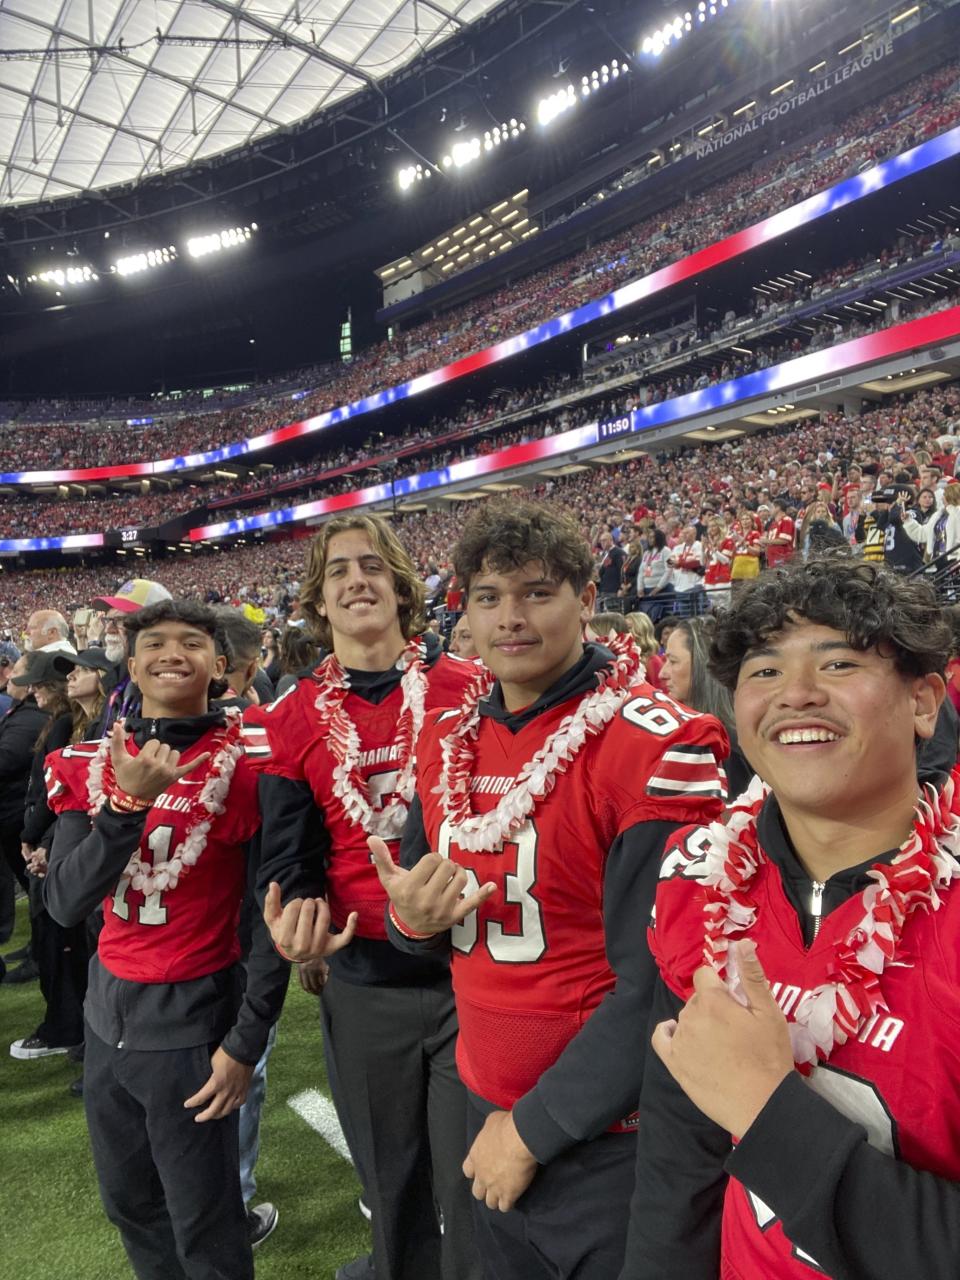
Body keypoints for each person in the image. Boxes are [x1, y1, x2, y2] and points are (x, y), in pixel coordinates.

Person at [374, 500, 729, 1280]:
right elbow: (419, 921)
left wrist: (533, 1129)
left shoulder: (657, 742)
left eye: (537, 592)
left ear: (587, 597)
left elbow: (666, 984)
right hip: (482, 1095)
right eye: (488, 598)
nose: (511, 618)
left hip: (613, 1132)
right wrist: (413, 921)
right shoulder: (447, 739)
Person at [621, 558, 960, 1280]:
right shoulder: (699, 876)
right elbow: (680, 1163)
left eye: (838, 662)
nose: (796, 695)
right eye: (764, 672)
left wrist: (773, 1118)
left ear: (925, 699)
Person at [247, 512, 483, 1280]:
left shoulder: (471, 689)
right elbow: (290, 855)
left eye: (374, 566)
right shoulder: (291, 716)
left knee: (476, 1180)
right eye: (340, 569)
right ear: (318, 599)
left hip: (470, 972)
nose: (358, 580)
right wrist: (297, 923)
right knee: (390, 1181)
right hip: (365, 978)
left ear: (402, 588)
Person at [43, 599, 287, 1280]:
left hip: (191, 1015)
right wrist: (125, 808)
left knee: (205, 1220)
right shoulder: (91, 762)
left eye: (191, 642)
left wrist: (247, 1040)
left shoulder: (248, 764)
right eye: (154, 641)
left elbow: (273, 914)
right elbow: (63, 900)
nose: (171, 653)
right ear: (131, 659)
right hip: (107, 1012)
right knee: (130, 1204)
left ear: (220, 665)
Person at [660, 617, 753, 797]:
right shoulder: (682, 731)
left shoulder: (730, 748)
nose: (662, 673)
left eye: (673, 661)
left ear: (701, 666)